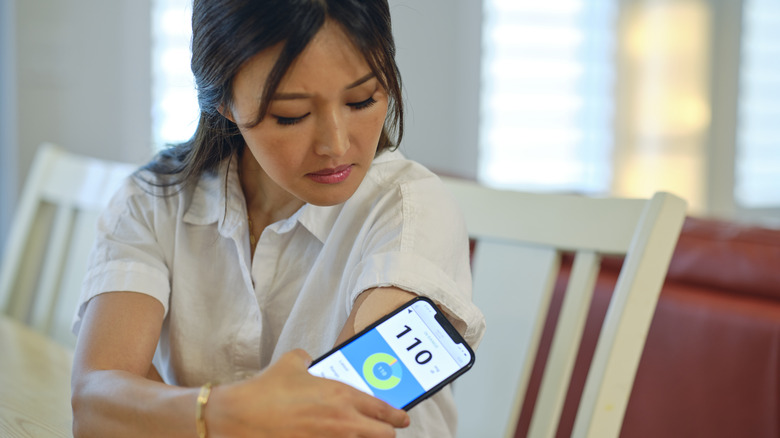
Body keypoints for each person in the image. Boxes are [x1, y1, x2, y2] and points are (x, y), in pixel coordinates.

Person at [70, 0, 485, 437]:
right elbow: (95, 405)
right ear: (223, 100)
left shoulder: (410, 210)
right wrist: (224, 412)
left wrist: (169, 412)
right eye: (291, 114)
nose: (336, 145)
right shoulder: (154, 201)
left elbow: (335, 422)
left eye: (362, 99)